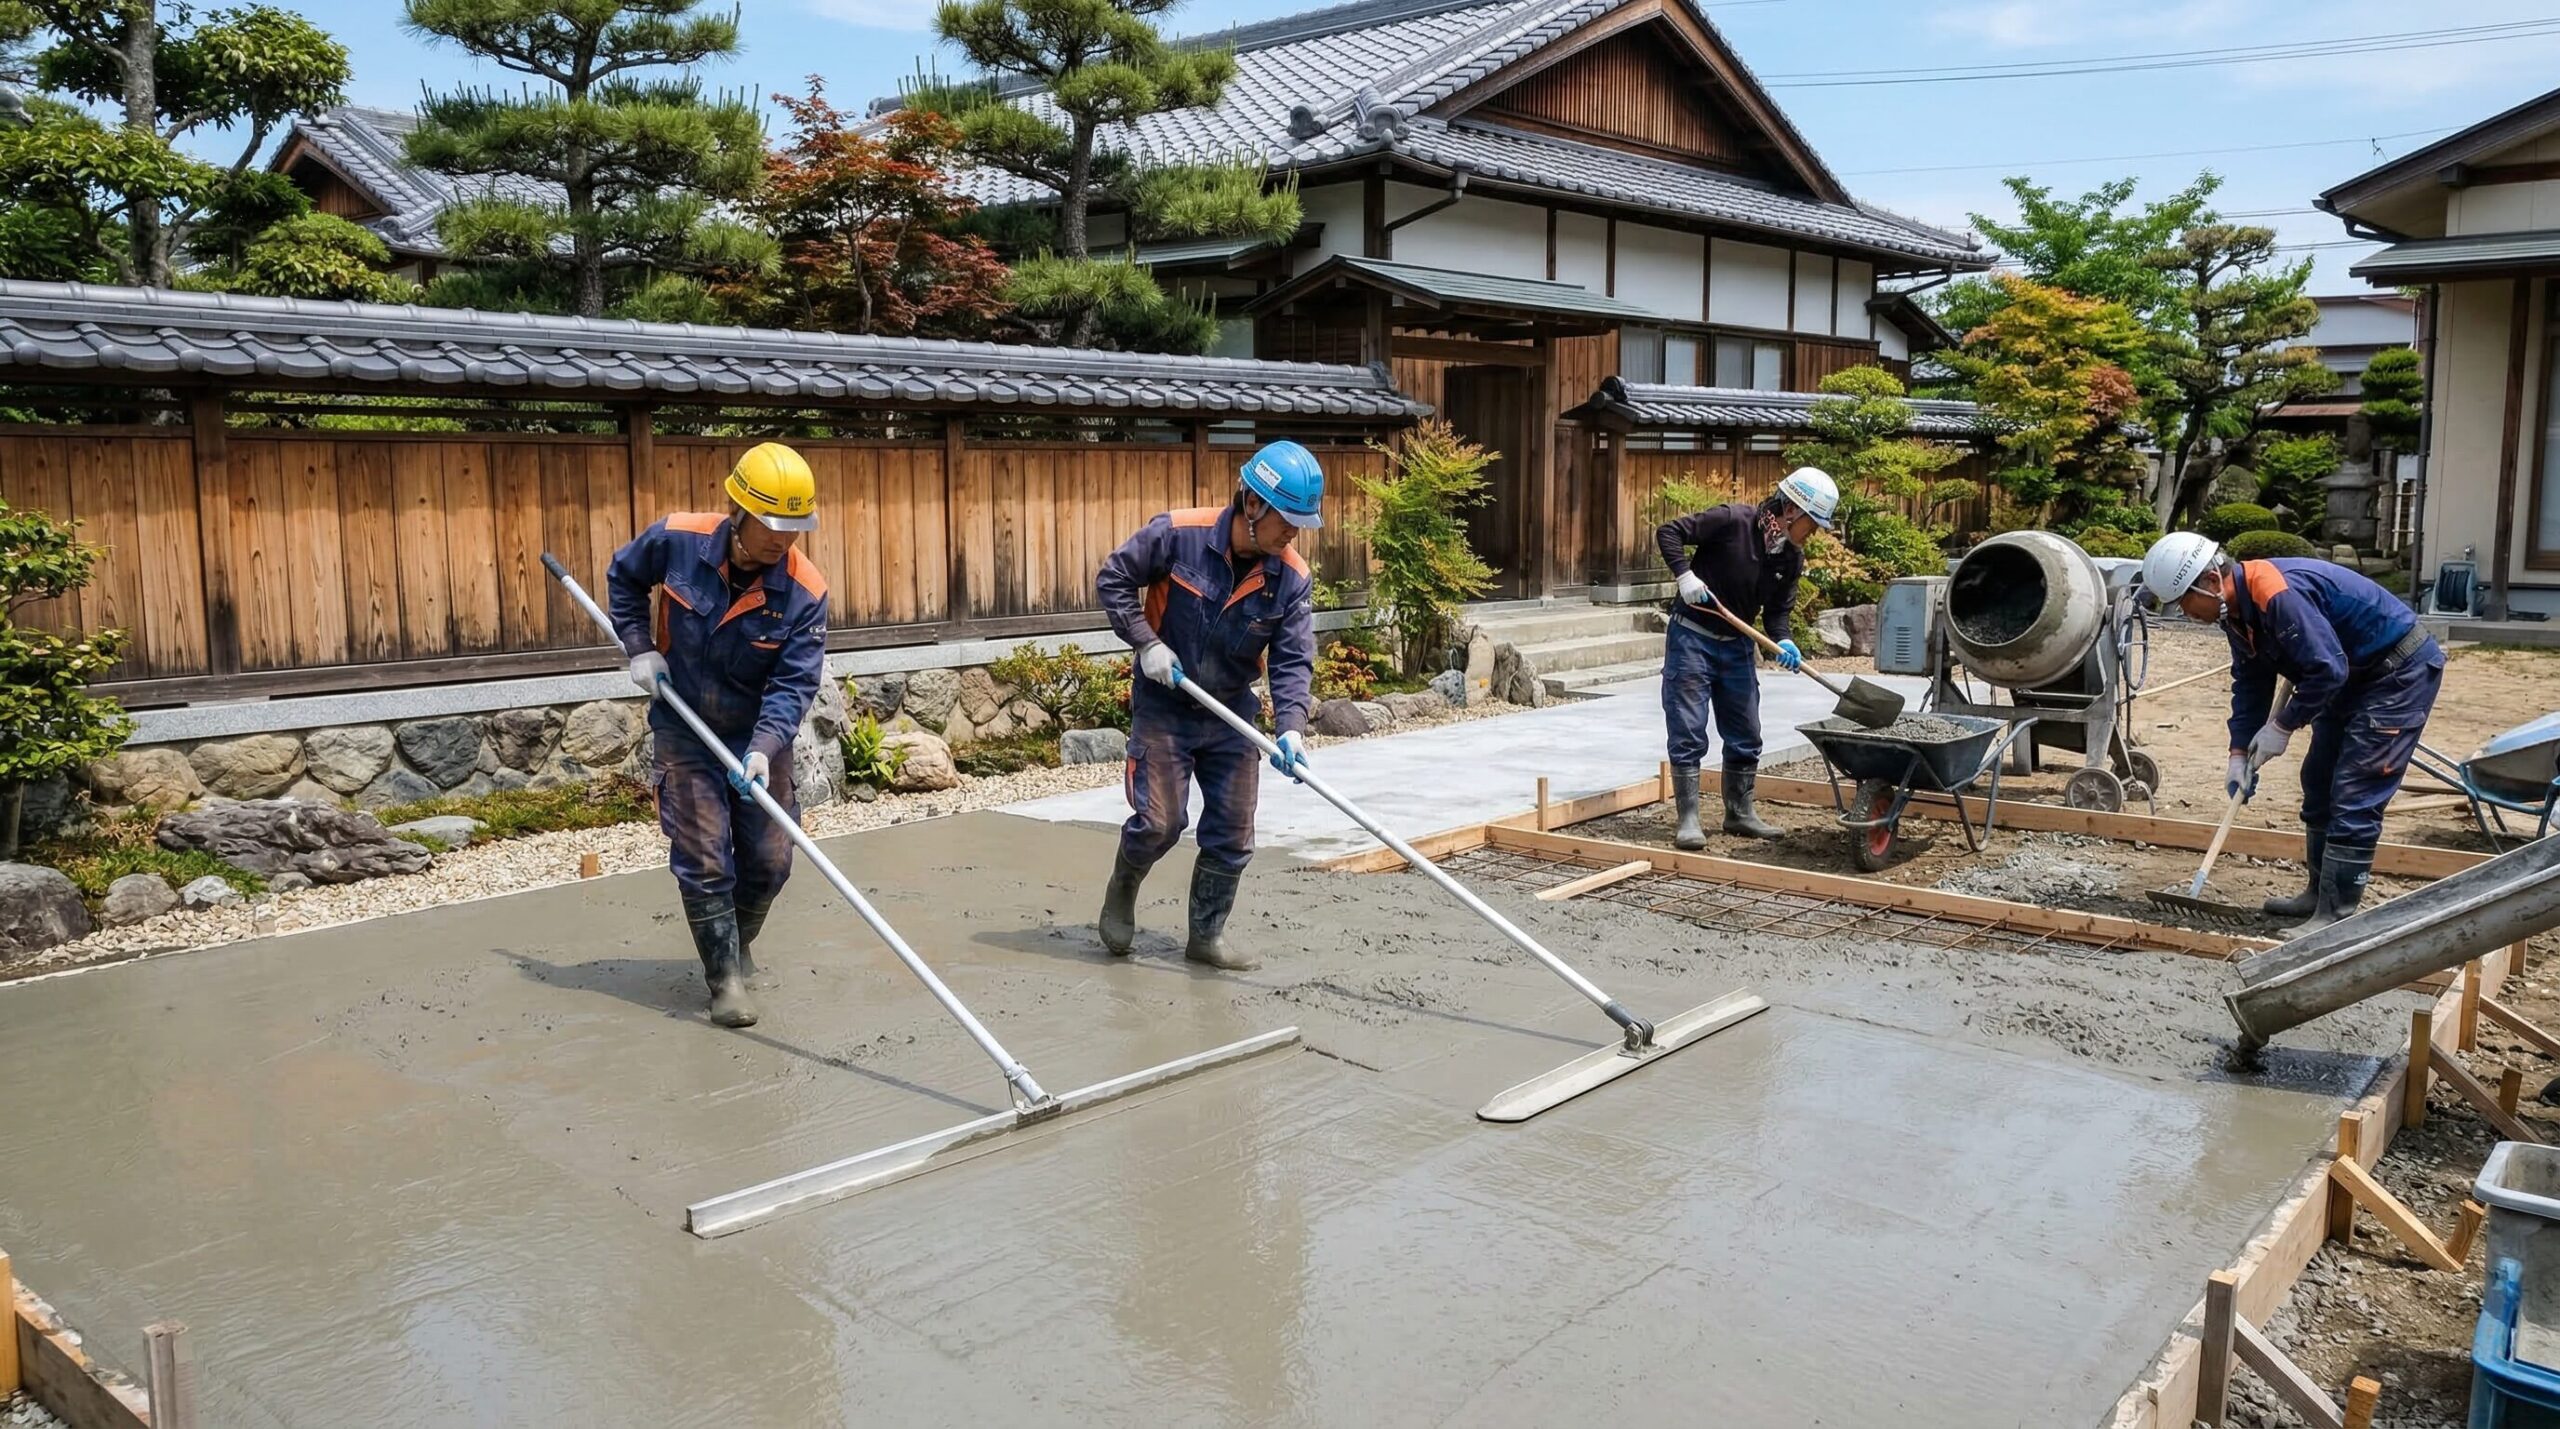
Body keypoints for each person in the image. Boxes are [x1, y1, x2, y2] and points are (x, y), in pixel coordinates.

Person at [606, 442, 830, 1028]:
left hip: (757, 735)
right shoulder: (677, 538)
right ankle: (725, 978)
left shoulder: (804, 591)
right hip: (683, 725)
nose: (783, 540)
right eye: (772, 525)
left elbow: (794, 683)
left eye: (794, 528)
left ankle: (737, 938)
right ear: (739, 510)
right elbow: (624, 580)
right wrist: (640, 649)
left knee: (771, 858)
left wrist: (762, 747)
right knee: (704, 856)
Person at [2140, 531, 2443, 933]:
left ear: (2211, 581)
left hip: (2396, 673)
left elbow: (2326, 669)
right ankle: (2318, 894)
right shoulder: (2234, 614)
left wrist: (2282, 726)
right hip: (2349, 676)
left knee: (2355, 789)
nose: (2184, 613)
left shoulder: (2277, 594)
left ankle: (2334, 913)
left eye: (2183, 602)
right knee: (2318, 779)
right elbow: (2250, 683)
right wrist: (2237, 755)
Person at [1093, 439, 1322, 971]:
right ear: (1253, 504)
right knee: (1160, 822)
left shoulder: (1290, 576)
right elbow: (1115, 579)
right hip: (1165, 703)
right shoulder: (1178, 534)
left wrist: (1292, 728)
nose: (1293, 533)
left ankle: (1206, 935)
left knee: (1233, 829)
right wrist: (1146, 642)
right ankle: (1123, 885)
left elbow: (1293, 658)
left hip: (1232, 712)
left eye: (1301, 523)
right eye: (1286, 519)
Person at [1653, 466, 1837, 849]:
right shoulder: (1733, 520)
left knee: (1746, 730)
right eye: (1813, 524)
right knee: (1688, 726)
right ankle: (1688, 818)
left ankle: (1739, 812)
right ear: (1792, 510)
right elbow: (1669, 532)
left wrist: (1784, 642)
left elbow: (1777, 614)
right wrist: (1685, 577)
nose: (1814, 533)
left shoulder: (1790, 559)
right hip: (1692, 637)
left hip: (1737, 644)